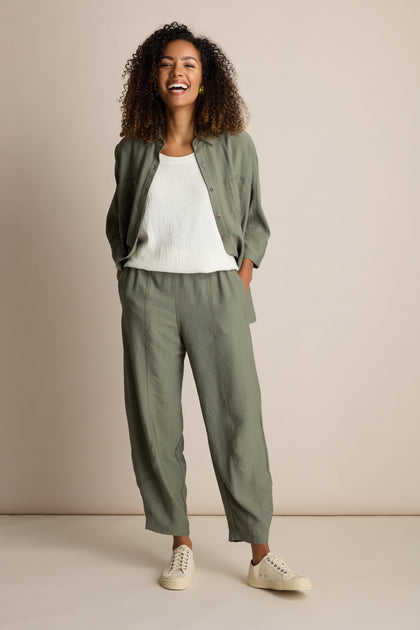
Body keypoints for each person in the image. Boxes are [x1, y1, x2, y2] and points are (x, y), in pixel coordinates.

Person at [106, 21, 312, 592]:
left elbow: (253, 220)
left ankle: (260, 554)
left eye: (190, 64)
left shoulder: (235, 144)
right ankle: (180, 543)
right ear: (153, 76)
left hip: (217, 291)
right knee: (155, 421)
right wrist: (128, 273)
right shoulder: (131, 150)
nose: (179, 73)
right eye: (169, 63)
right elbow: (118, 221)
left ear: (205, 77)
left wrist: (242, 275)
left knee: (237, 415)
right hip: (149, 293)